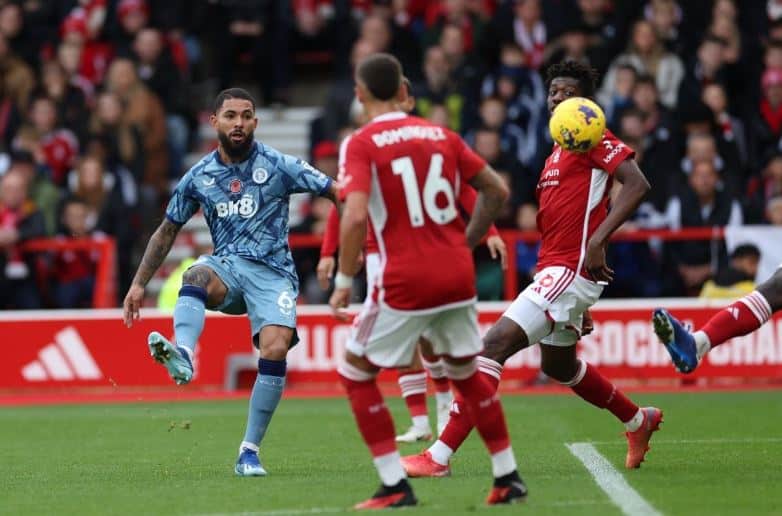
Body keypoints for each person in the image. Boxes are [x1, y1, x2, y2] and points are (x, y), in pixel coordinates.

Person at [402, 60, 662, 479]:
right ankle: (637, 420)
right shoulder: (556, 152)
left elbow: (637, 183)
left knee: (493, 346)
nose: (558, 97)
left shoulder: (592, 136)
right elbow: (569, 219)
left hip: (568, 271)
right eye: (553, 90)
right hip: (561, 273)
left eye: (568, 90)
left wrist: (597, 244)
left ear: (586, 101)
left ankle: (438, 456)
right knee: (558, 367)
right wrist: (578, 298)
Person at [331, 53, 525, 508]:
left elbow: (355, 214)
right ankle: (506, 476)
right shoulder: (442, 134)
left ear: (360, 94)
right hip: (457, 275)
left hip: (403, 277)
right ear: (403, 92)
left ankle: (394, 486)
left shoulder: (360, 143)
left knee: (355, 374)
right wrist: (466, 242)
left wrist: (342, 278)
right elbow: (496, 189)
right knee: (466, 374)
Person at [122, 88, 338, 477]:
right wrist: (139, 284)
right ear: (215, 122)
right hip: (229, 269)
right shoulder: (200, 176)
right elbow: (167, 230)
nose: (238, 123)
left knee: (274, 349)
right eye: (231, 116)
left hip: (274, 275)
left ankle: (248, 452)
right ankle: (184, 355)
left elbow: (336, 192)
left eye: (246, 116)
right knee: (195, 274)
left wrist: (340, 248)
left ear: (255, 122)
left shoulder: (279, 164)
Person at [318, 78, 507, 444]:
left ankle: (416, 445)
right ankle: (432, 426)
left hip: (406, 258)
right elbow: (343, 205)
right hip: (386, 254)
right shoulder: (417, 139)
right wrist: (330, 251)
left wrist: (490, 231)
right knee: (425, 345)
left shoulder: (379, 144)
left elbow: (468, 187)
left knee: (411, 346)